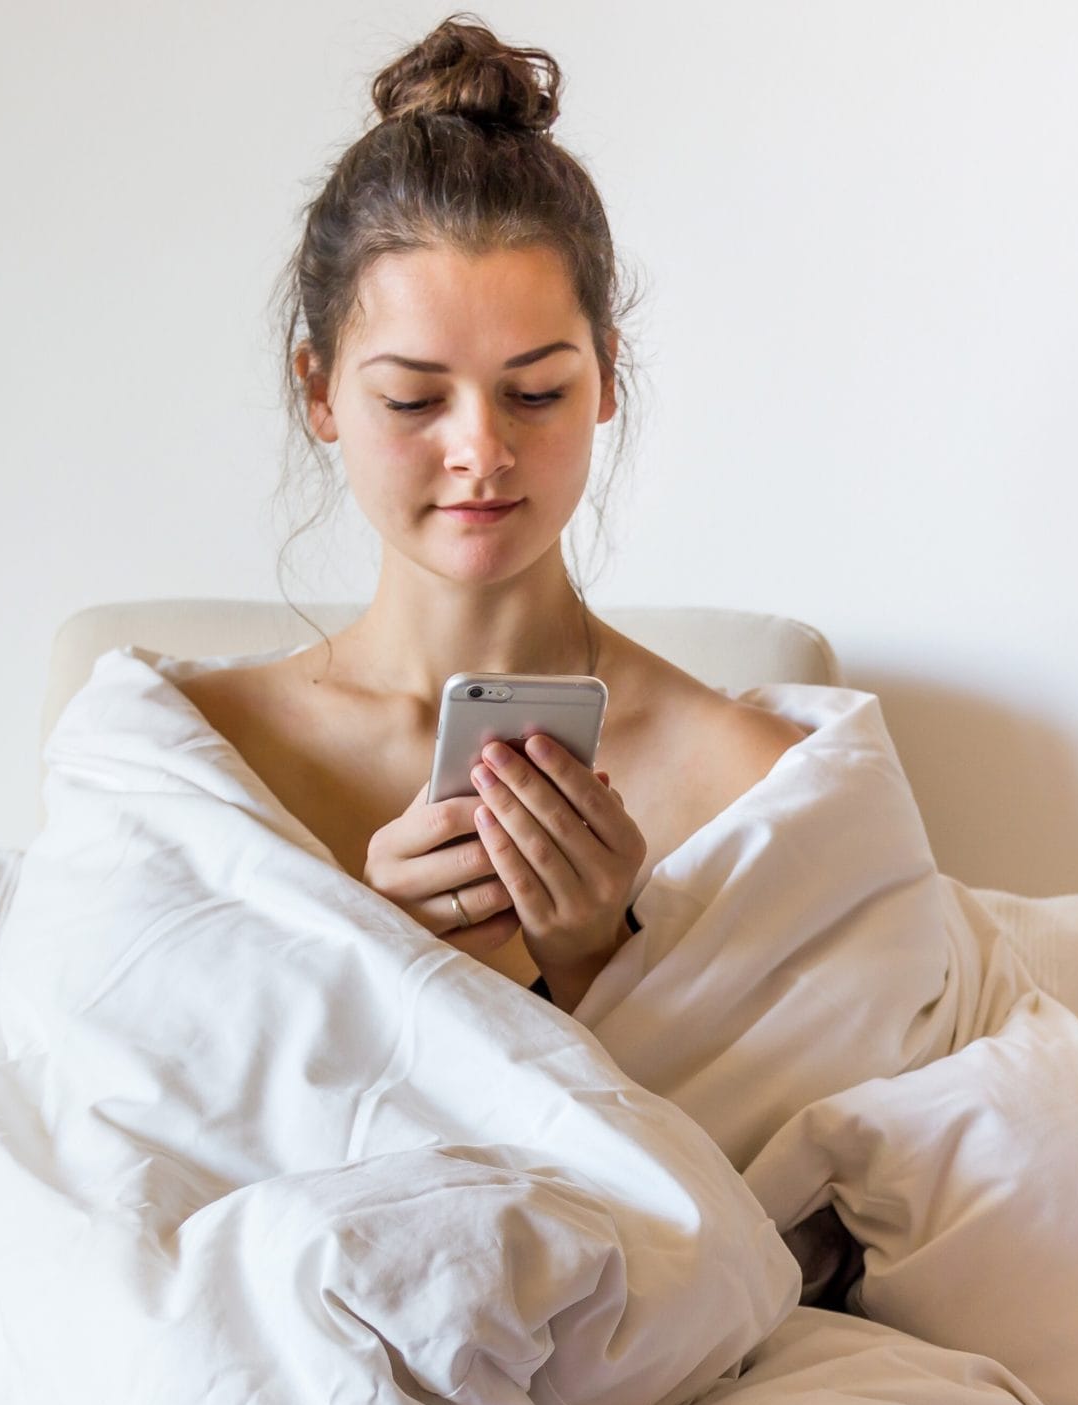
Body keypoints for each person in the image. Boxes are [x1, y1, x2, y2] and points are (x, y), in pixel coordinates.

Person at [181, 14, 806, 1014]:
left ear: (606, 377)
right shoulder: (199, 767)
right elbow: (115, 1114)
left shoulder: (756, 781)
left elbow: (820, 1141)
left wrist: (605, 967)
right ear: (319, 392)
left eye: (535, 392)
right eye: (414, 400)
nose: (480, 451)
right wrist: (365, 957)